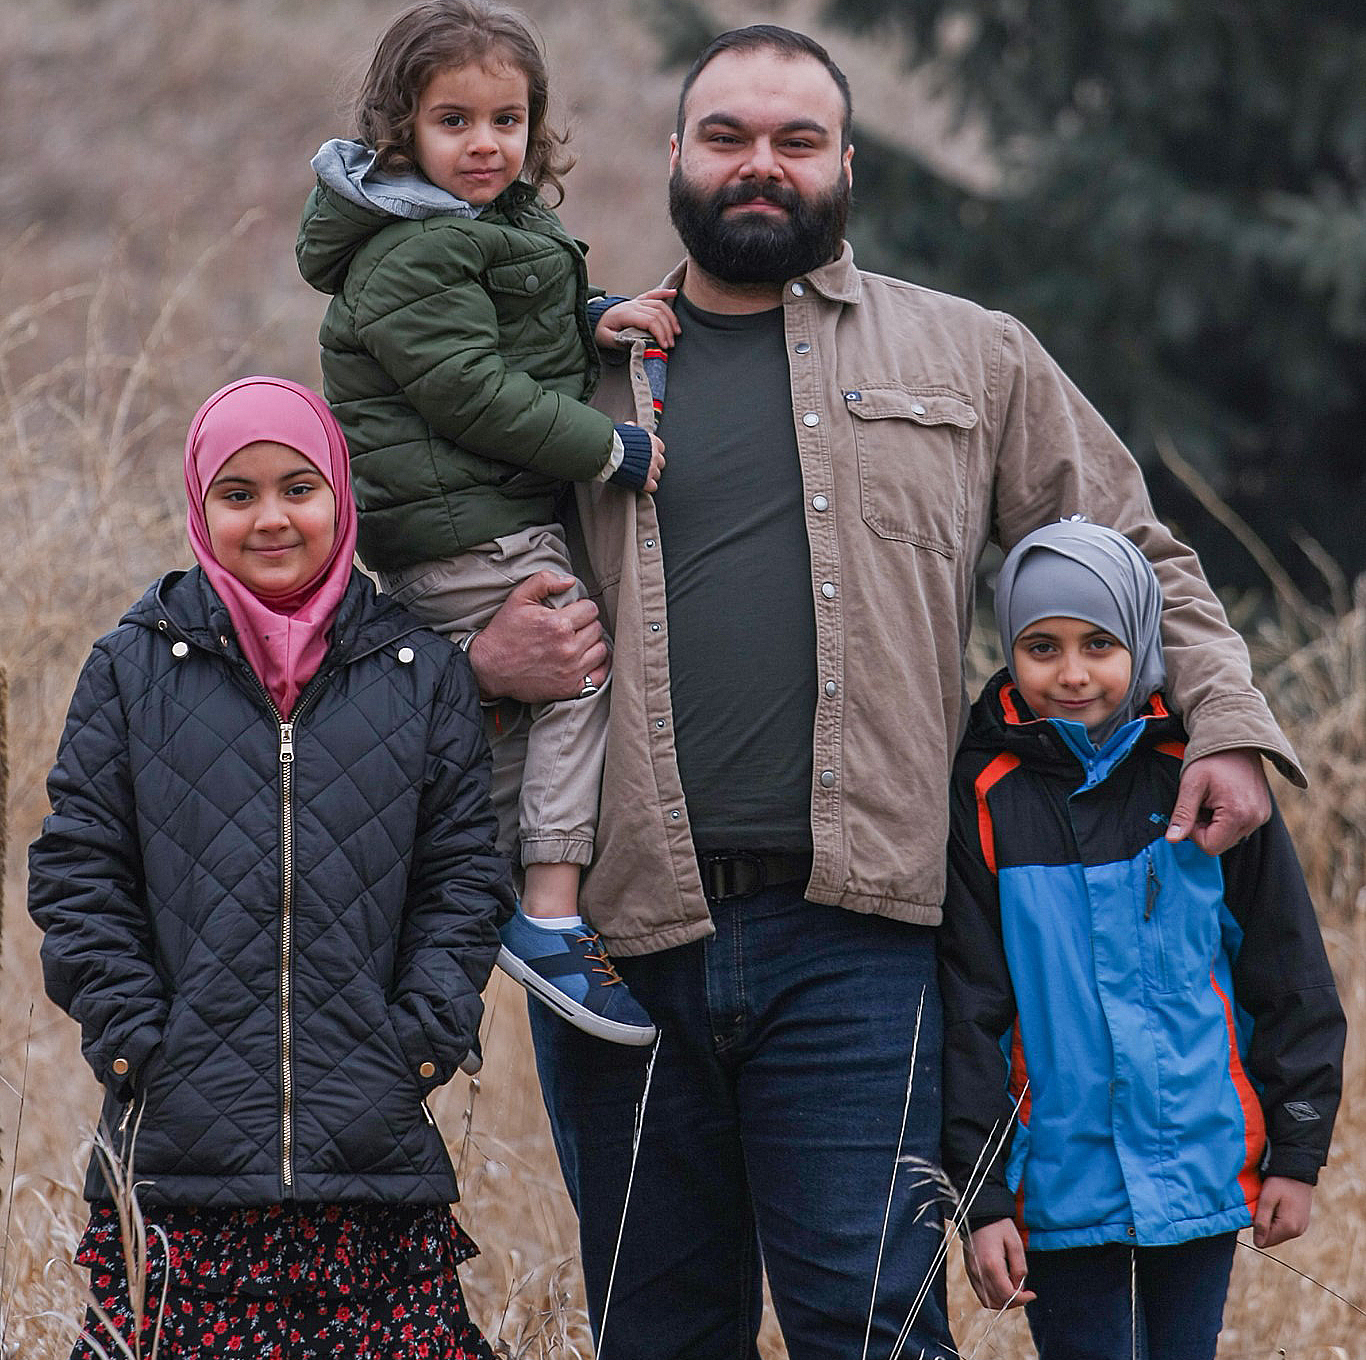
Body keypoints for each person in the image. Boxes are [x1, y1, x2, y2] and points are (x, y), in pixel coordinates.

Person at [461, 24, 1308, 1360]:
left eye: (796, 141)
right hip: (619, 947)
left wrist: (1226, 725)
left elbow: (1136, 553)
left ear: (843, 164)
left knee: (872, 1332)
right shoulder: (570, 367)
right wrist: (479, 664)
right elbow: (423, 570)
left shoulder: (968, 357)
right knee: (655, 1335)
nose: (761, 165)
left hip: (861, 942)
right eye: (728, 136)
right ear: (676, 156)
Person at [28, 377, 516, 1360]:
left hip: (370, 1163)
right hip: (176, 1165)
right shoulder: (129, 670)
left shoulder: (419, 672)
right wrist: (141, 1051)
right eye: (237, 493)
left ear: (340, 494)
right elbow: (78, 880)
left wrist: (414, 1045)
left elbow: (463, 878)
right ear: (199, 508)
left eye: (298, 486)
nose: (271, 517)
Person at [296, 0, 679, 1046]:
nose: (485, 143)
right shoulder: (409, 251)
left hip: (480, 512)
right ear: (401, 130)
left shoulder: (482, 225)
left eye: (506, 120)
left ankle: (507, 885)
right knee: (578, 666)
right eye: (454, 120)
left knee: (532, 695)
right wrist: (606, 446)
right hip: (464, 523)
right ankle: (546, 909)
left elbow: (509, 322)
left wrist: (591, 315)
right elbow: (469, 388)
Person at [939, 519, 1345, 1359]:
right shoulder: (982, 796)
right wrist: (981, 1201)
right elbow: (968, 1007)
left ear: (1143, 637)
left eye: (1099, 643)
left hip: (1198, 1160)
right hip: (1058, 1184)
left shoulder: (1204, 777)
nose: (1073, 672)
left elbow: (1287, 971)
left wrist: (1297, 1152)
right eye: (1041, 647)